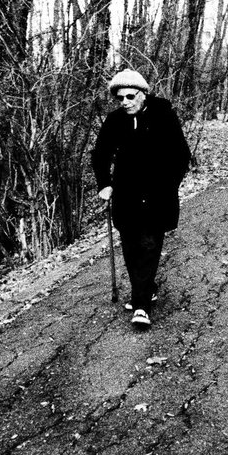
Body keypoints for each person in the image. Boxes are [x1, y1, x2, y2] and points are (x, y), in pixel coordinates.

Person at [90, 68, 193, 330]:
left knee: (149, 244)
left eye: (130, 96)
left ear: (143, 94)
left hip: (157, 195)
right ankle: (147, 287)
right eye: (120, 98)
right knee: (131, 247)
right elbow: (100, 154)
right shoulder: (115, 120)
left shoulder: (164, 115)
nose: (125, 102)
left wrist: (169, 184)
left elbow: (181, 155)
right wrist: (104, 184)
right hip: (126, 194)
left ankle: (141, 305)